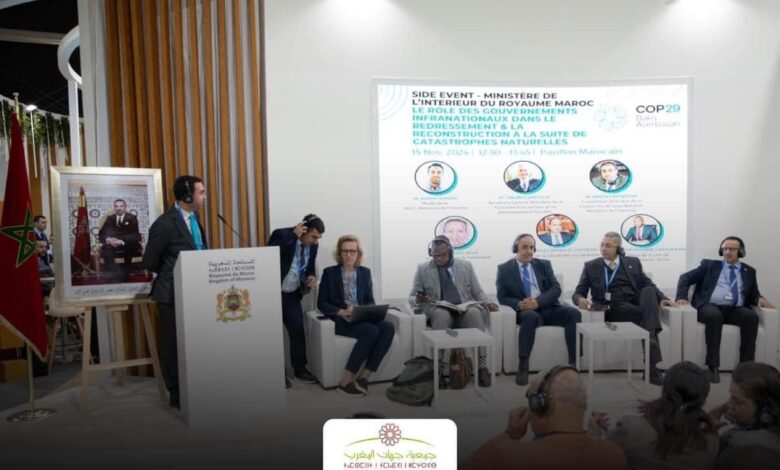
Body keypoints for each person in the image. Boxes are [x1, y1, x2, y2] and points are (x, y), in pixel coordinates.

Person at [460, 365, 628, 470]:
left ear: (540, 405)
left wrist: (509, 435)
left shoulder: (508, 456)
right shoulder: (614, 455)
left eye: (530, 399)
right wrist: (593, 436)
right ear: (584, 404)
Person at [572, 232, 674, 385]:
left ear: (618, 249)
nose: (603, 248)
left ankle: (650, 364)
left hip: (633, 301)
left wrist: (663, 298)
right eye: (602, 245)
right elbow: (578, 292)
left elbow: (648, 283)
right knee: (646, 316)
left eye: (608, 246)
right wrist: (580, 299)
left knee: (648, 291)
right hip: (611, 307)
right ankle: (651, 367)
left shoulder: (633, 262)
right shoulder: (591, 266)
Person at [142, 175, 207, 409]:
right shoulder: (165, 223)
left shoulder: (194, 219)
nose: (204, 197)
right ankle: (176, 393)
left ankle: (195, 387)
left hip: (195, 291)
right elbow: (150, 261)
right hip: (171, 294)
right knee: (173, 345)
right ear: (187, 197)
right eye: (201, 192)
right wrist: (173, 271)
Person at [676, 236, 774, 383]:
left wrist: (759, 299)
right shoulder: (709, 265)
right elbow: (685, 278)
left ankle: (745, 368)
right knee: (714, 317)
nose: (728, 252)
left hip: (735, 308)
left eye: (732, 249)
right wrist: (681, 297)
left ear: (741, 252)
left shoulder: (749, 271)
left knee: (751, 317)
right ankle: (712, 367)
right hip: (709, 306)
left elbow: (753, 294)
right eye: (725, 249)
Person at [589, 361, 719, 470]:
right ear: (703, 402)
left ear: (663, 391)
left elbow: (595, 458)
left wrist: (593, 430)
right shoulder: (712, 444)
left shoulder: (631, 429)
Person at [410, 235, 498, 388]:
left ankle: (482, 366)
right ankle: (438, 369)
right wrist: (418, 299)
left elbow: (478, 291)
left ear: (450, 251)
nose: (438, 258)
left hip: (463, 309)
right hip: (439, 309)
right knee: (442, 315)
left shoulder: (466, 266)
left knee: (475, 313)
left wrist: (488, 302)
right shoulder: (423, 269)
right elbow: (412, 296)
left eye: (442, 255)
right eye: (435, 255)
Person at [496, 233, 581, 385]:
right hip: (526, 311)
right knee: (530, 317)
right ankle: (523, 366)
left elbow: (556, 289)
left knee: (573, 313)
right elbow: (502, 297)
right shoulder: (504, 269)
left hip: (547, 307)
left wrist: (538, 302)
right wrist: (519, 304)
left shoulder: (544, 265)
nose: (529, 251)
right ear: (516, 249)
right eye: (525, 247)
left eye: (532, 248)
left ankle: (573, 363)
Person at [317, 235, 395, 397]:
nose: (348, 255)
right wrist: (342, 312)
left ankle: (364, 377)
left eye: (352, 251)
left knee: (388, 327)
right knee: (371, 331)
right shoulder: (329, 273)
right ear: (339, 253)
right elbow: (322, 303)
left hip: (361, 316)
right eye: (345, 251)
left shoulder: (365, 273)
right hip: (341, 319)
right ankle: (346, 380)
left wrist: (366, 310)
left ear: (358, 253)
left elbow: (370, 300)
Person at [268, 214, 324, 387]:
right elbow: (269, 254)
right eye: (314, 237)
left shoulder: (313, 246)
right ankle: (277, 374)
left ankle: (300, 369)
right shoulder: (282, 235)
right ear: (304, 230)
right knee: (272, 336)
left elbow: (309, 267)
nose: (315, 241)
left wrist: (311, 276)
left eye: (318, 238)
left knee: (298, 331)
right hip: (272, 294)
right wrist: (293, 235)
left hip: (292, 295)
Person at [709, 362, 780, 466]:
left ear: (765, 411)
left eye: (737, 402)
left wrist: (709, 435)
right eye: (731, 397)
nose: (729, 405)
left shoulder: (739, 445)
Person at [98, 199, 142, 281]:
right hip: (112, 243)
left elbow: (134, 233)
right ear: (114, 208)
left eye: (121, 206)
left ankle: (125, 276)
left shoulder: (132, 217)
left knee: (129, 248)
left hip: (127, 243)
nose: (119, 208)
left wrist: (121, 241)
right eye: (116, 206)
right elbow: (102, 233)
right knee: (106, 249)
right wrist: (109, 239)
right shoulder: (110, 218)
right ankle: (113, 274)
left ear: (125, 207)